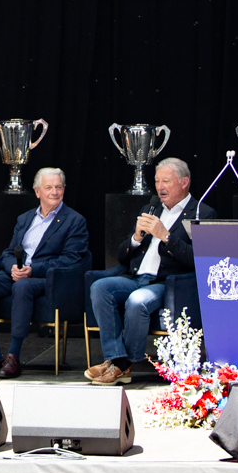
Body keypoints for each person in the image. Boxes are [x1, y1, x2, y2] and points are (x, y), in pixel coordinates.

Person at [84, 156, 214, 385]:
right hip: (136, 277)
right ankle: (117, 359)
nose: (160, 187)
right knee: (99, 287)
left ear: (184, 183)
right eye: (157, 181)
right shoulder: (151, 207)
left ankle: (123, 365)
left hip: (168, 283)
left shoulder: (202, 213)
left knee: (137, 301)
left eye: (166, 181)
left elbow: (197, 259)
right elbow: (123, 255)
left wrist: (165, 236)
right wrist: (135, 237)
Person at [0, 167, 91, 379]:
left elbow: (71, 259)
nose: (54, 192)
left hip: (47, 278)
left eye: (58, 187)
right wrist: (12, 267)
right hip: (19, 272)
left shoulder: (74, 220)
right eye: (48, 187)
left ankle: (13, 356)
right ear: (37, 192)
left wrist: (33, 270)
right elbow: (8, 252)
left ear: (64, 190)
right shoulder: (25, 219)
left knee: (22, 286)